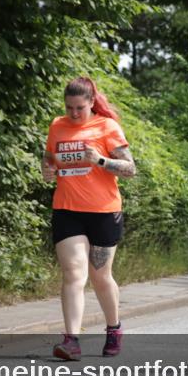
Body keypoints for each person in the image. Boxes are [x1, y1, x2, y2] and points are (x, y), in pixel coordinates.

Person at [42, 77, 136, 360]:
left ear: (92, 102)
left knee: (100, 276)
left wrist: (100, 160)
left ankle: (113, 328)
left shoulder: (107, 127)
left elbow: (130, 169)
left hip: (104, 212)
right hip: (68, 209)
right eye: (69, 107)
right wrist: (47, 168)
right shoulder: (57, 126)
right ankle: (71, 340)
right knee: (73, 273)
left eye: (79, 108)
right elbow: (49, 157)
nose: (73, 114)